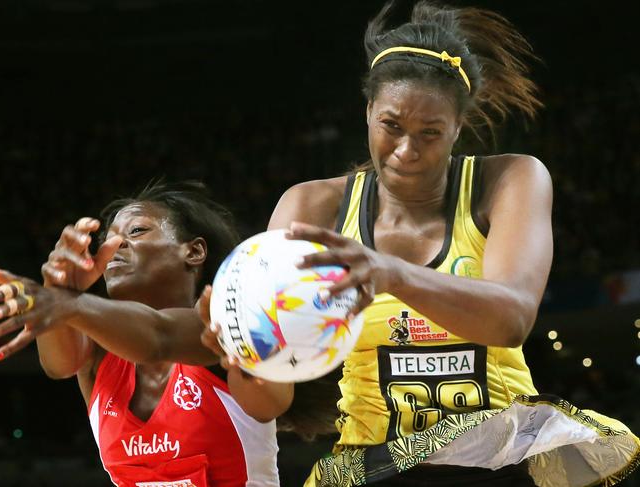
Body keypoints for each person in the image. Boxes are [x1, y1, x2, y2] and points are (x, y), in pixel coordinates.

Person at [260, 1, 640, 486]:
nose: (406, 150)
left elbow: (511, 318)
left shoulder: (511, 179)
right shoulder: (311, 206)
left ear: (458, 128)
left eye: (430, 133)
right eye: (391, 126)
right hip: (372, 462)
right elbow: (264, 339)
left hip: (497, 460)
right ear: (369, 111)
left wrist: (393, 274)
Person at [0, 181, 285, 486]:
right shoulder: (99, 352)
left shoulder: (225, 321)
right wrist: (59, 286)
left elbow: (159, 338)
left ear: (194, 251)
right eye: (107, 240)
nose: (116, 246)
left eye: (136, 231)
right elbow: (58, 366)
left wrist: (68, 302)